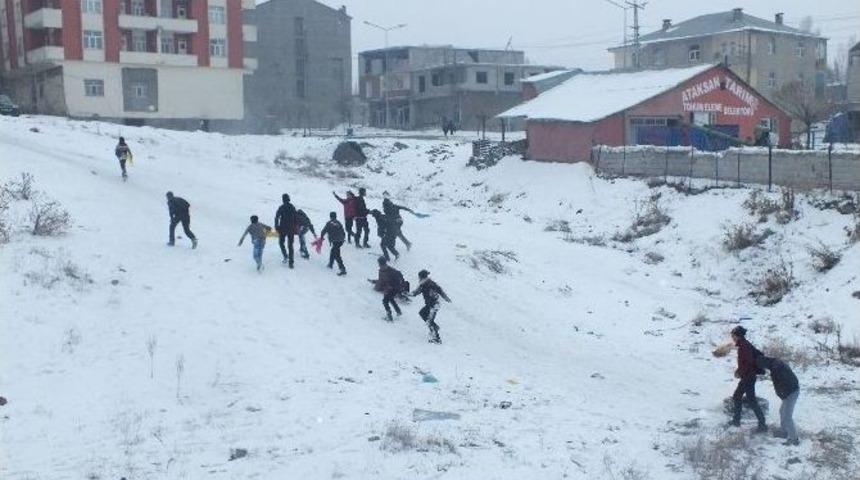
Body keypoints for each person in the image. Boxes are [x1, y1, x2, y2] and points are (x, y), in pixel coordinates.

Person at [727, 326, 767, 433]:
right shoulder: (744, 344)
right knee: (738, 396)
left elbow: (749, 362)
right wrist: (739, 371)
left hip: (748, 377)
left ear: (738, 335)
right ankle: (736, 421)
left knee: (750, 400)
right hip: (747, 376)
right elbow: (746, 362)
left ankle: (762, 424)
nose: (732, 337)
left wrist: (739, 372)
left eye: (733, 335)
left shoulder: (744, 346)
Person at [756, 355, 800, 446]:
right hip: (789, 392)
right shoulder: (775, 364)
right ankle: (784, 432)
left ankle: (794, 439)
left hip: (791, 392)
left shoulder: (776, 368)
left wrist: (784, 394)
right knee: (782, 411)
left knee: (787, 416)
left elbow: (784, 382)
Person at [411, 269, 452, 343]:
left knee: (429, 321)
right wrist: (446, 298)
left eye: (419, 277)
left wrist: (407, 293)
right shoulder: (430, 283)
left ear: (421, 277)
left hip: (433, 305)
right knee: (422, 313)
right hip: (433, 304)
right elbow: (440, 290)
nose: (418, 278)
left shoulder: (424, 285)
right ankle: (434, 327)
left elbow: (415, 293)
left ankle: (437, 339)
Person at [376, 256, 405, 322]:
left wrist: (392, 287)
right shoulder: (381, 270)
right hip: (388, 288)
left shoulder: (392, 271)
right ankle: (398, 311)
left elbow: (398, 281)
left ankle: (389, 316)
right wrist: (379, 286)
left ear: (384, 264)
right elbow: (381, 280)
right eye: (379, 264)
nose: (379, 265)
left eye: (380, 264)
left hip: (394, 288)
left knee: (385, 301)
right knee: (391, 299)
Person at [319, 212, 347, 276]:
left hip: (335, 240)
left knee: (337, 255)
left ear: (330, 216)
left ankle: (342, 269)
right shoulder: (338, 222)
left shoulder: (329, 223)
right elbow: (343, 232)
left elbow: (323, 231)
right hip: (340, 240)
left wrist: (321, 238)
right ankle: (330, 264)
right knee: (333, 251)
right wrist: (342, 239)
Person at [274, 194, 297, 268]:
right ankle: (291, 263)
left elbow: (277, 217)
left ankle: (285, 255)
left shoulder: (281, 207)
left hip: (283, 229)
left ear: (283, 199)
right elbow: (296, 218)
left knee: (281, 243)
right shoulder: (292, 207)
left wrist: (276, 226)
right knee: (290, 246)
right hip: (291, 229)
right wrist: (295, 228)